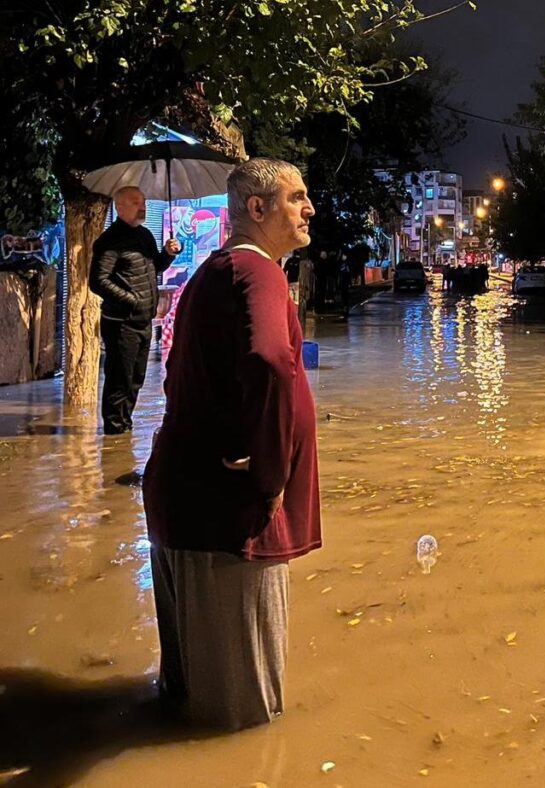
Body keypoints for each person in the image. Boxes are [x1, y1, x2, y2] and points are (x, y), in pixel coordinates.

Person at [142, 158, 321, 731]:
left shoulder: (213, 273)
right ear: (257, 209)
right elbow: (269, 360)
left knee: (187, 702)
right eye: (297, 198)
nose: (310, 208)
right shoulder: (259, 274)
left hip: (184, 499)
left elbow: (178, 376)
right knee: (243, 718)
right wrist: (270, 477)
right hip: (228, 514)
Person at [89, 186, 181, 435]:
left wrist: (168, 254)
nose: (143, 207)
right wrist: (131, 300)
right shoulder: (109, 241)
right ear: (119, 207)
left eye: (144, 202)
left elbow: (155, 268)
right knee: (120, 380)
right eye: (136, 202)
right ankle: (114, 434)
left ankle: (125, 427)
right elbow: (98, 281)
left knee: (136, 379)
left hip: (143, 320)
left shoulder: (145, 235)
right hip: (121, 323)